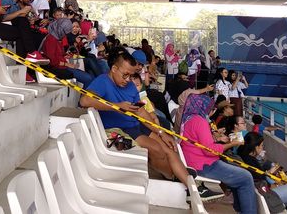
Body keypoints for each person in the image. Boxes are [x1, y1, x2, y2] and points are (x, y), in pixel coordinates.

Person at [80, 52, 221, 201]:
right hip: (122, 129)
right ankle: (179, 180)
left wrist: (161, 133)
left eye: (130, 75)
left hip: (136, 125)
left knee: (170, 148)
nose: (127, 79)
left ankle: (192, 187)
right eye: (125, 75)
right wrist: (116, 106)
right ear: (114, 69)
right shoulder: (103, 81)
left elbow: (141, 111)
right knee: (157, 149)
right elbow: (84, 101)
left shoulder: (130, 86)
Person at [179, 94, 257, 212]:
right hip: (204, 165)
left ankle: (240, 209)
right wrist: (232, 144)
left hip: (193, 161)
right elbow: (210, 151)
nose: (212, 111)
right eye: (211, 109)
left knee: (239, 174)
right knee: (246, 177)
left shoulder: (188, 119)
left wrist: (217, 139)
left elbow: (200, 143)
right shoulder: (200, 121)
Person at [238, 132, 287, 214]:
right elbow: (261, 181)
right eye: (261, 146)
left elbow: (258, 178)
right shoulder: (251, 162)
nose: (262, 148)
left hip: (261, 195)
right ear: (256, 147)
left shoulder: (243, 158)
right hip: (268, 196)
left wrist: (268, 174)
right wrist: (275, 183)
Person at [40, 18, 94, 86]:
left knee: (90, 75)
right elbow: (52, 61)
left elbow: (59, 54)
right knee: (88, 78)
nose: (65, 34)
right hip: (57, 67)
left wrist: (66, 55)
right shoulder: (51, 39)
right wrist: (67, 64)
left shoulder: (57, 38)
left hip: (63, 65)